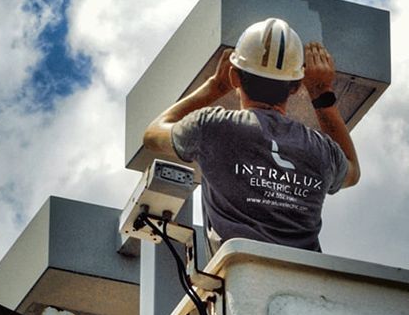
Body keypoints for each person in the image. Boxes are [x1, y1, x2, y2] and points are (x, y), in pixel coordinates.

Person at [142, 17, 360, 252]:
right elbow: (352, 171)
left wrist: (214, 87)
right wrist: (321, 93)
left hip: (240, 280)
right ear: (297, 87)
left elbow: (152, 135)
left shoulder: (212, 127)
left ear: (235, 78)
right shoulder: (321, 150)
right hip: (307, 282)